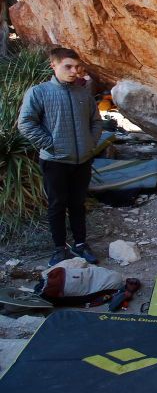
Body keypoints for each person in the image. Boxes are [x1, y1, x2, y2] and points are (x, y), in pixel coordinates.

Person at [18, 47, 102, 266]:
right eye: (68, 67)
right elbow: (26, 123)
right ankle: (59, 248)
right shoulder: (39, 92)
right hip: (54, 161)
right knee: (57, 204)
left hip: (82, 160)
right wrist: (51, 145)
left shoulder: (83, 93)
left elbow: (96, 121)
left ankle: (81, 244)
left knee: (78, 203)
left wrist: (90, 143)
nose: (74, 71)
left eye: (77, 67)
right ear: (53, 66)